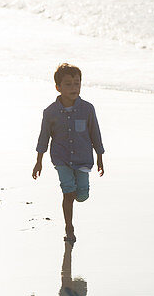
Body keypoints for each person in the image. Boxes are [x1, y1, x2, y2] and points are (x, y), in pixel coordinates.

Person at [32, 63, 105, 242]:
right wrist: (38, 160)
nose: (74, 87)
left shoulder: (88, 109)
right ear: (58, 87)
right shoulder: (50, 112)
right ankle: (69, 228)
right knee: (68, 192)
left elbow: (95, 132)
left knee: (82, 195)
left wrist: (100, 156)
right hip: (61, 157)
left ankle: (74, 204)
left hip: (83, 159)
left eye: (77, 83)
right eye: (68, 84)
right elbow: (44, 137)